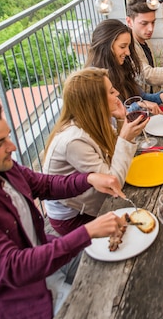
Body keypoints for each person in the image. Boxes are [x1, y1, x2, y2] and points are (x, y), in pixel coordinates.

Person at [0, 102, 128, 319]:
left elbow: (42, 185)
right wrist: (87, 232)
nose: (12, 146)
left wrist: (88, 178)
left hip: (49, 262)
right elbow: (13, 268)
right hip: (23, 305)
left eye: (7, 136)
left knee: (126, 262)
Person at [43, 68, 148, 235]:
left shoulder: (95, 119)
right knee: (140, 223)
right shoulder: (74, 140)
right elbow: (114, 183)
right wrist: (126, 139)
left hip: (92, 200)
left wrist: (122, 119)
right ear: (96, 101)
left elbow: (115, 154)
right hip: (74, 217)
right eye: (112, 91)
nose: (118, 93)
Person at [86, 19, 163, 114]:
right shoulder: (93, 81)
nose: (128, 52)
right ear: (105, 47)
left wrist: (160, 96)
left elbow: (140, 96)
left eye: (128, 46)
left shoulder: (120, 66)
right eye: (122, 47)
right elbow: (111, 121)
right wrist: (138, 106)